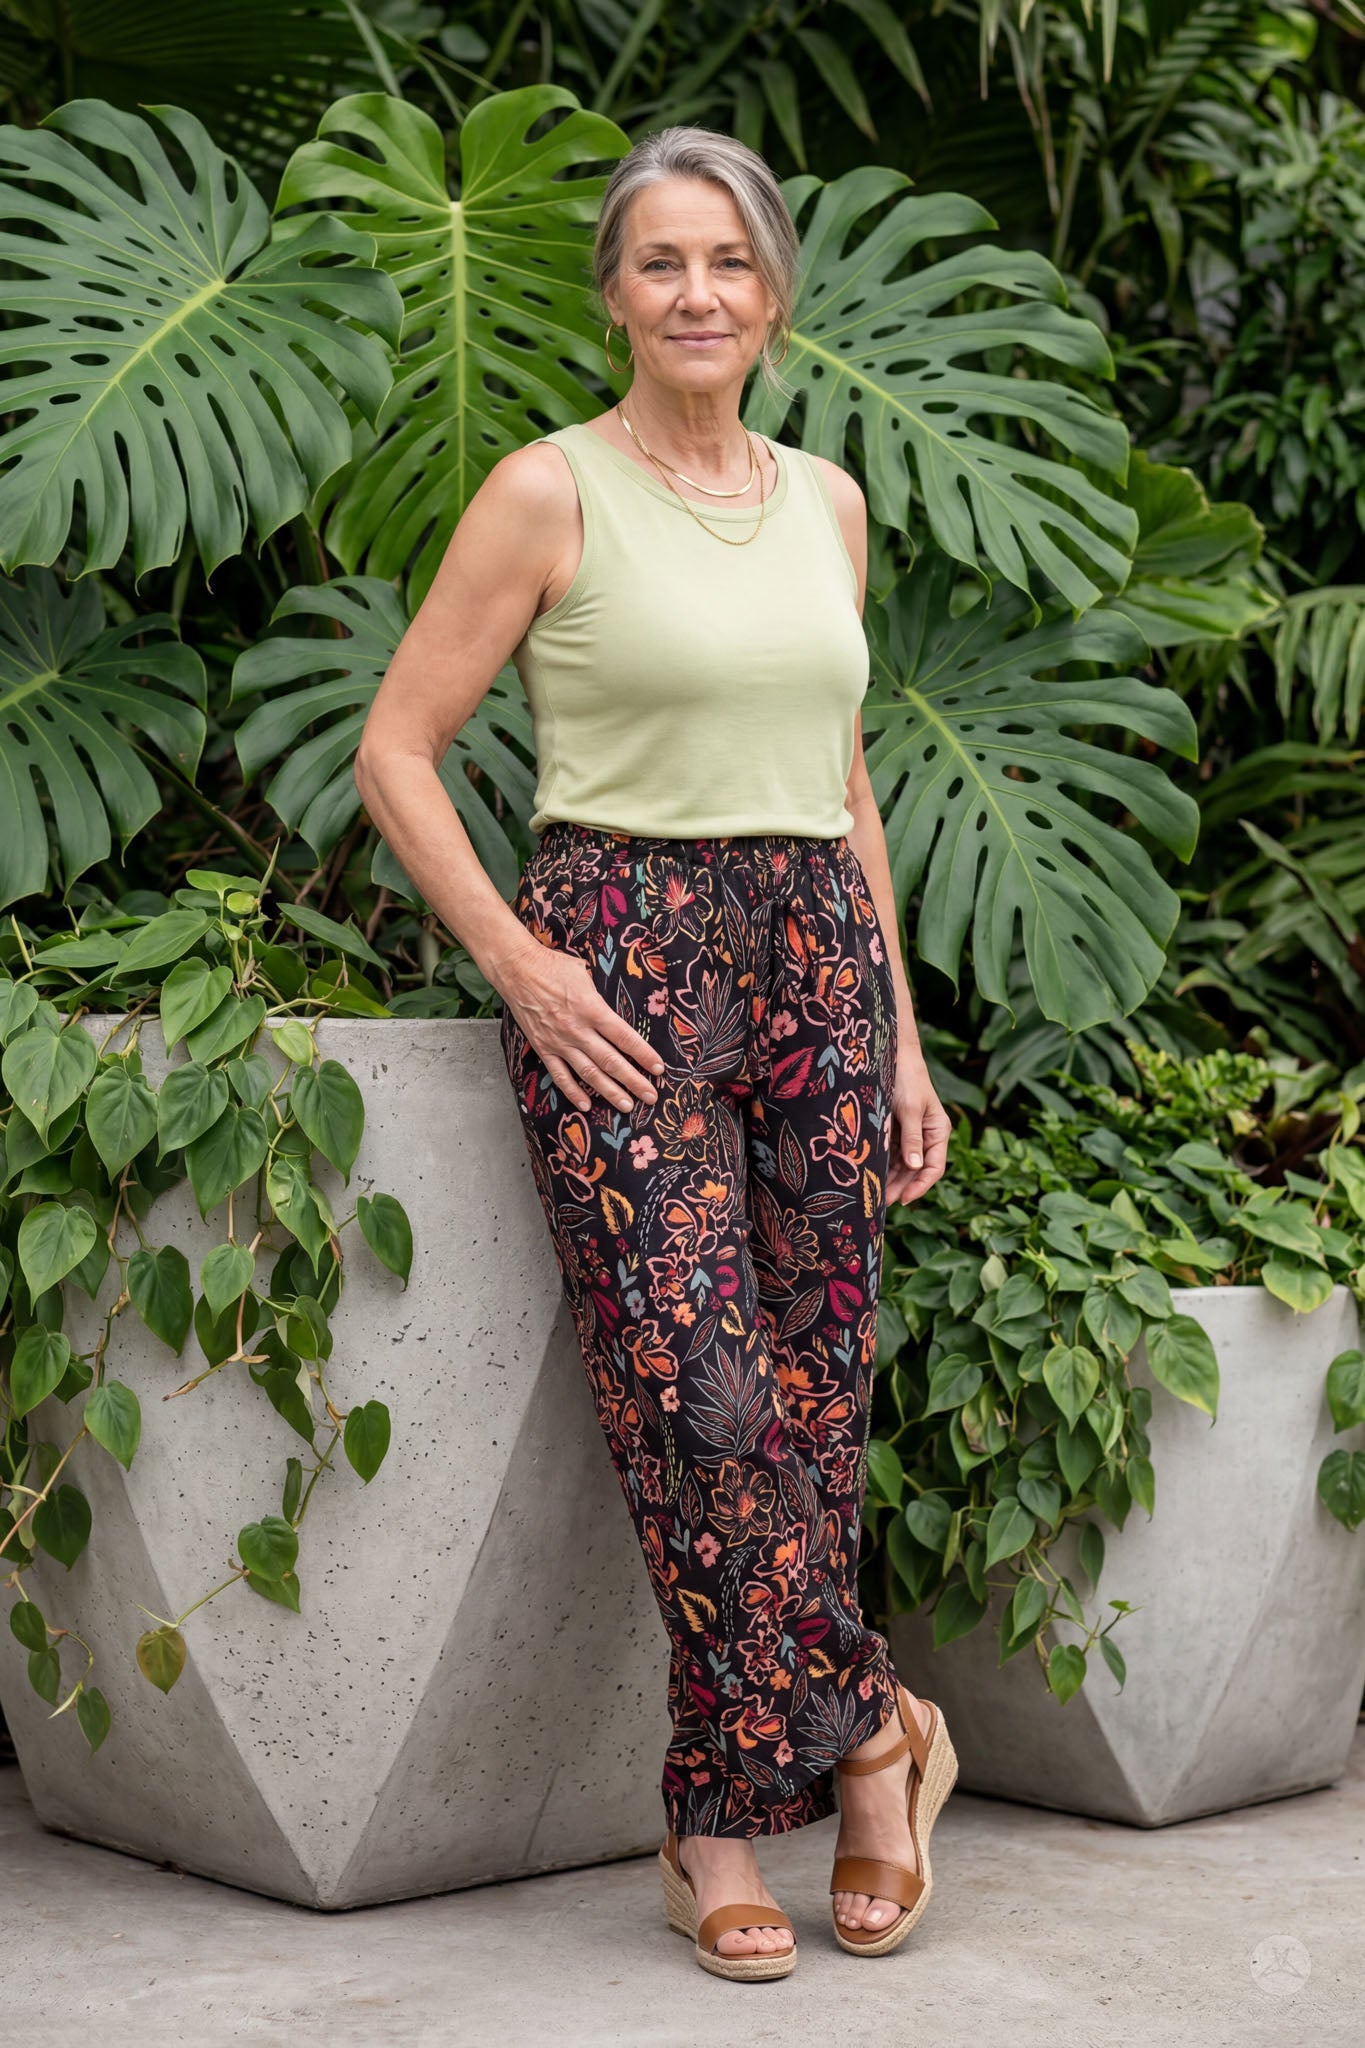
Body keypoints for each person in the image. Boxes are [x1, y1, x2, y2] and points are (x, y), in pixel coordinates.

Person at [355, 123, 955, 1981]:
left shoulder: (830, 500)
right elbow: (396, 747)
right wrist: (522, 967)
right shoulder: (547, 492)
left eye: (729, 262)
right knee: (692, 1398)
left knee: (811, 1400)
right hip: (619, 966)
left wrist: (904, 1045)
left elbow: (844, 784)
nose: (696, 294)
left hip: (816, 967)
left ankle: (728, 1815)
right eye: (658, 264)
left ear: (773, 292)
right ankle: (873, 1728)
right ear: (611, 293)